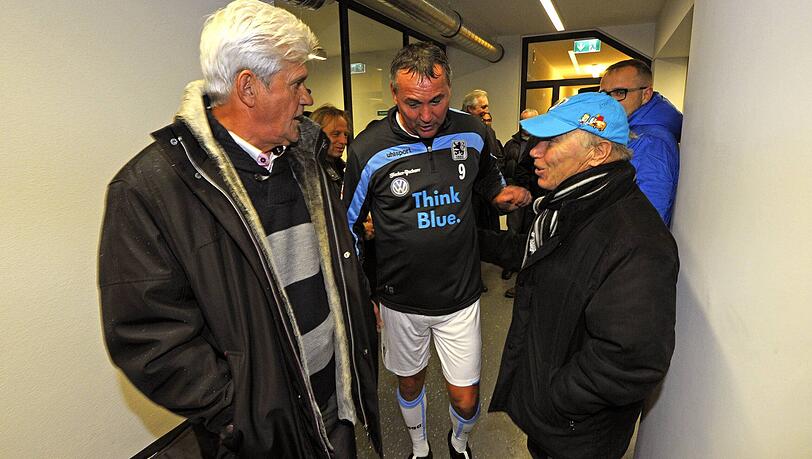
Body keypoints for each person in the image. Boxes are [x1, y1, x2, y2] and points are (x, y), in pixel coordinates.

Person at [97, 1, 381, 456]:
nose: (307, 98)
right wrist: (238, 414)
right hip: (260, 435)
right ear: (249, 88)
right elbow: (148, 337)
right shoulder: (150, 189)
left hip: (334, 403)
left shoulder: (307, 158)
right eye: (298, 83)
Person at [342, 43, 531, 459]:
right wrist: (362, 292)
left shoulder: (474, 132)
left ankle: (458, 442)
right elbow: (349, 228)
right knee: (409, 384)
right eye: (413, 103)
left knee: (465, 398)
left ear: (449, 89)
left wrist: (502, 195)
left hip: (460, 296)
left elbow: (488, 181)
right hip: (400, 299)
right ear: (394, 93)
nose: (426, 115)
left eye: (437, 100)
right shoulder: (366, 150)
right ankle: (419, 448)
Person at [480, 92, 679, 458]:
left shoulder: (636, 239)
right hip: (556, 421)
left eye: (551, 142)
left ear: (598, 152)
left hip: (578, 432)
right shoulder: (574, 205)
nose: (534, 153)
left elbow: (633, 360)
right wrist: (465, 240)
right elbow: (532, 252)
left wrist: (557, 400)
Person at [600, 59, 683, 226]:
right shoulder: (628, 129)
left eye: (619, 93)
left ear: (646, 95)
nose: (608, 102)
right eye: (604, 94)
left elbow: (647, 217)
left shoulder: (652, 141)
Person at [500, 108, 538, 295]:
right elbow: (502, 165)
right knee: (513, 229)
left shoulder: (540, 142)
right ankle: (510, 264)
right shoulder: (511, 144)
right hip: (515, 192)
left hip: (534, 195)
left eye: (530, 121)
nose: (526, 125)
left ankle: (525, 272)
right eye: (523, 121)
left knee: (530, 233)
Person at [310, 104, 351, 196]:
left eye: (345, 135)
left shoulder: (342, 168)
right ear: (316, 134)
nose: (343, 141)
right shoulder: (308, 173)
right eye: (335, 134)